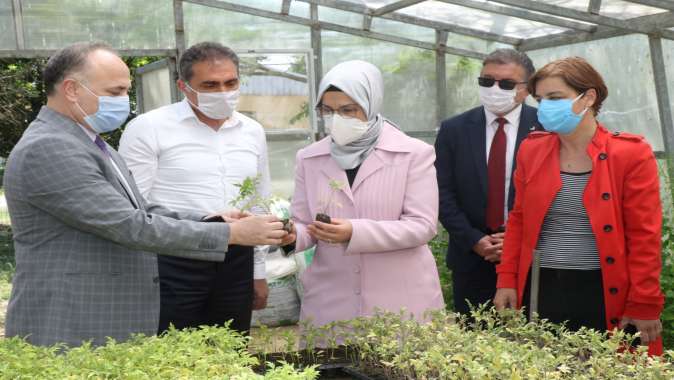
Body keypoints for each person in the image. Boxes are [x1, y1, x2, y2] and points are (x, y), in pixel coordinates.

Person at [2, 42, 288, 347]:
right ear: (71, 89)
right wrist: (228, 233)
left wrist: (211, 220)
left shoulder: (87, 141)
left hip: (99, 311)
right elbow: (128, 224)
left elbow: (140, 207)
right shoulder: (51, 147)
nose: (124, 101)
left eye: (125, 91)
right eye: (115, 92)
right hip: (75, 316)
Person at [493, 57, 664, 356]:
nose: (545, 106)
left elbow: (644, 236)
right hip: (541, 284)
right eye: (541, 99)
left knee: (608, 366)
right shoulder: (532, 150)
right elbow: (518, 220)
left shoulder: (630, 154)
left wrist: (645, 301)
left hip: (603, 287)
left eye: (555, 98)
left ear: (589, 97)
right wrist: (507, 279)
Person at [119, 42, 281, 334]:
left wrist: (258, 271)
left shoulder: (252, 130)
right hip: (174, 258)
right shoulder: (148, 128)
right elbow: (134, 206)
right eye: (210, 85)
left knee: (231, 346)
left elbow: (258, 201)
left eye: (230, 82)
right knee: (171, 350)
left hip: (236, 257)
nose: (223, 92)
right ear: (183, 86)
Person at [290, 60, 444, 327]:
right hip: (332, 297)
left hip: (400, 298)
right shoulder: (309, 158)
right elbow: (304, 224)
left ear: (371, 104)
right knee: (331, 366)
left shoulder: (412, 153)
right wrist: (290, 235)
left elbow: (423, 226)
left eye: (348, 110)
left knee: (402, 365)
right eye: (328, 110)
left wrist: (354, 232)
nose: (338, 119)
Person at [434, 49, 540, 316]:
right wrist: (475, 240)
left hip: (530, 259)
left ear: (526, 89)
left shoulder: (545, 128)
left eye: (505, 84)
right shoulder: (454, 130)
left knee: (534, 343)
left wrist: (517, 240)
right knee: (473, 343)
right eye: (486, 81)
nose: (494, 89)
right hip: (471, 258)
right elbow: (441, 193)